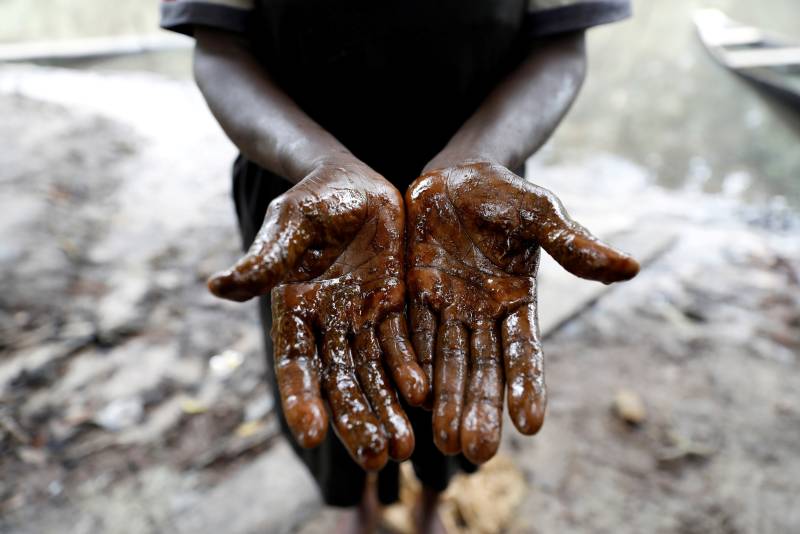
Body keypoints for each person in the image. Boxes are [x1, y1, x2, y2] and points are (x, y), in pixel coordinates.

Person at [160, 1, 639, 532]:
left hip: (475, 207)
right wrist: (318, 162)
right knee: (332, 385)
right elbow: (220, 49)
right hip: (313, 206)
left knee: (452, 388)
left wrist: (481, 158)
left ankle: (431, 502)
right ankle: (357, 504)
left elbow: (561, 47)